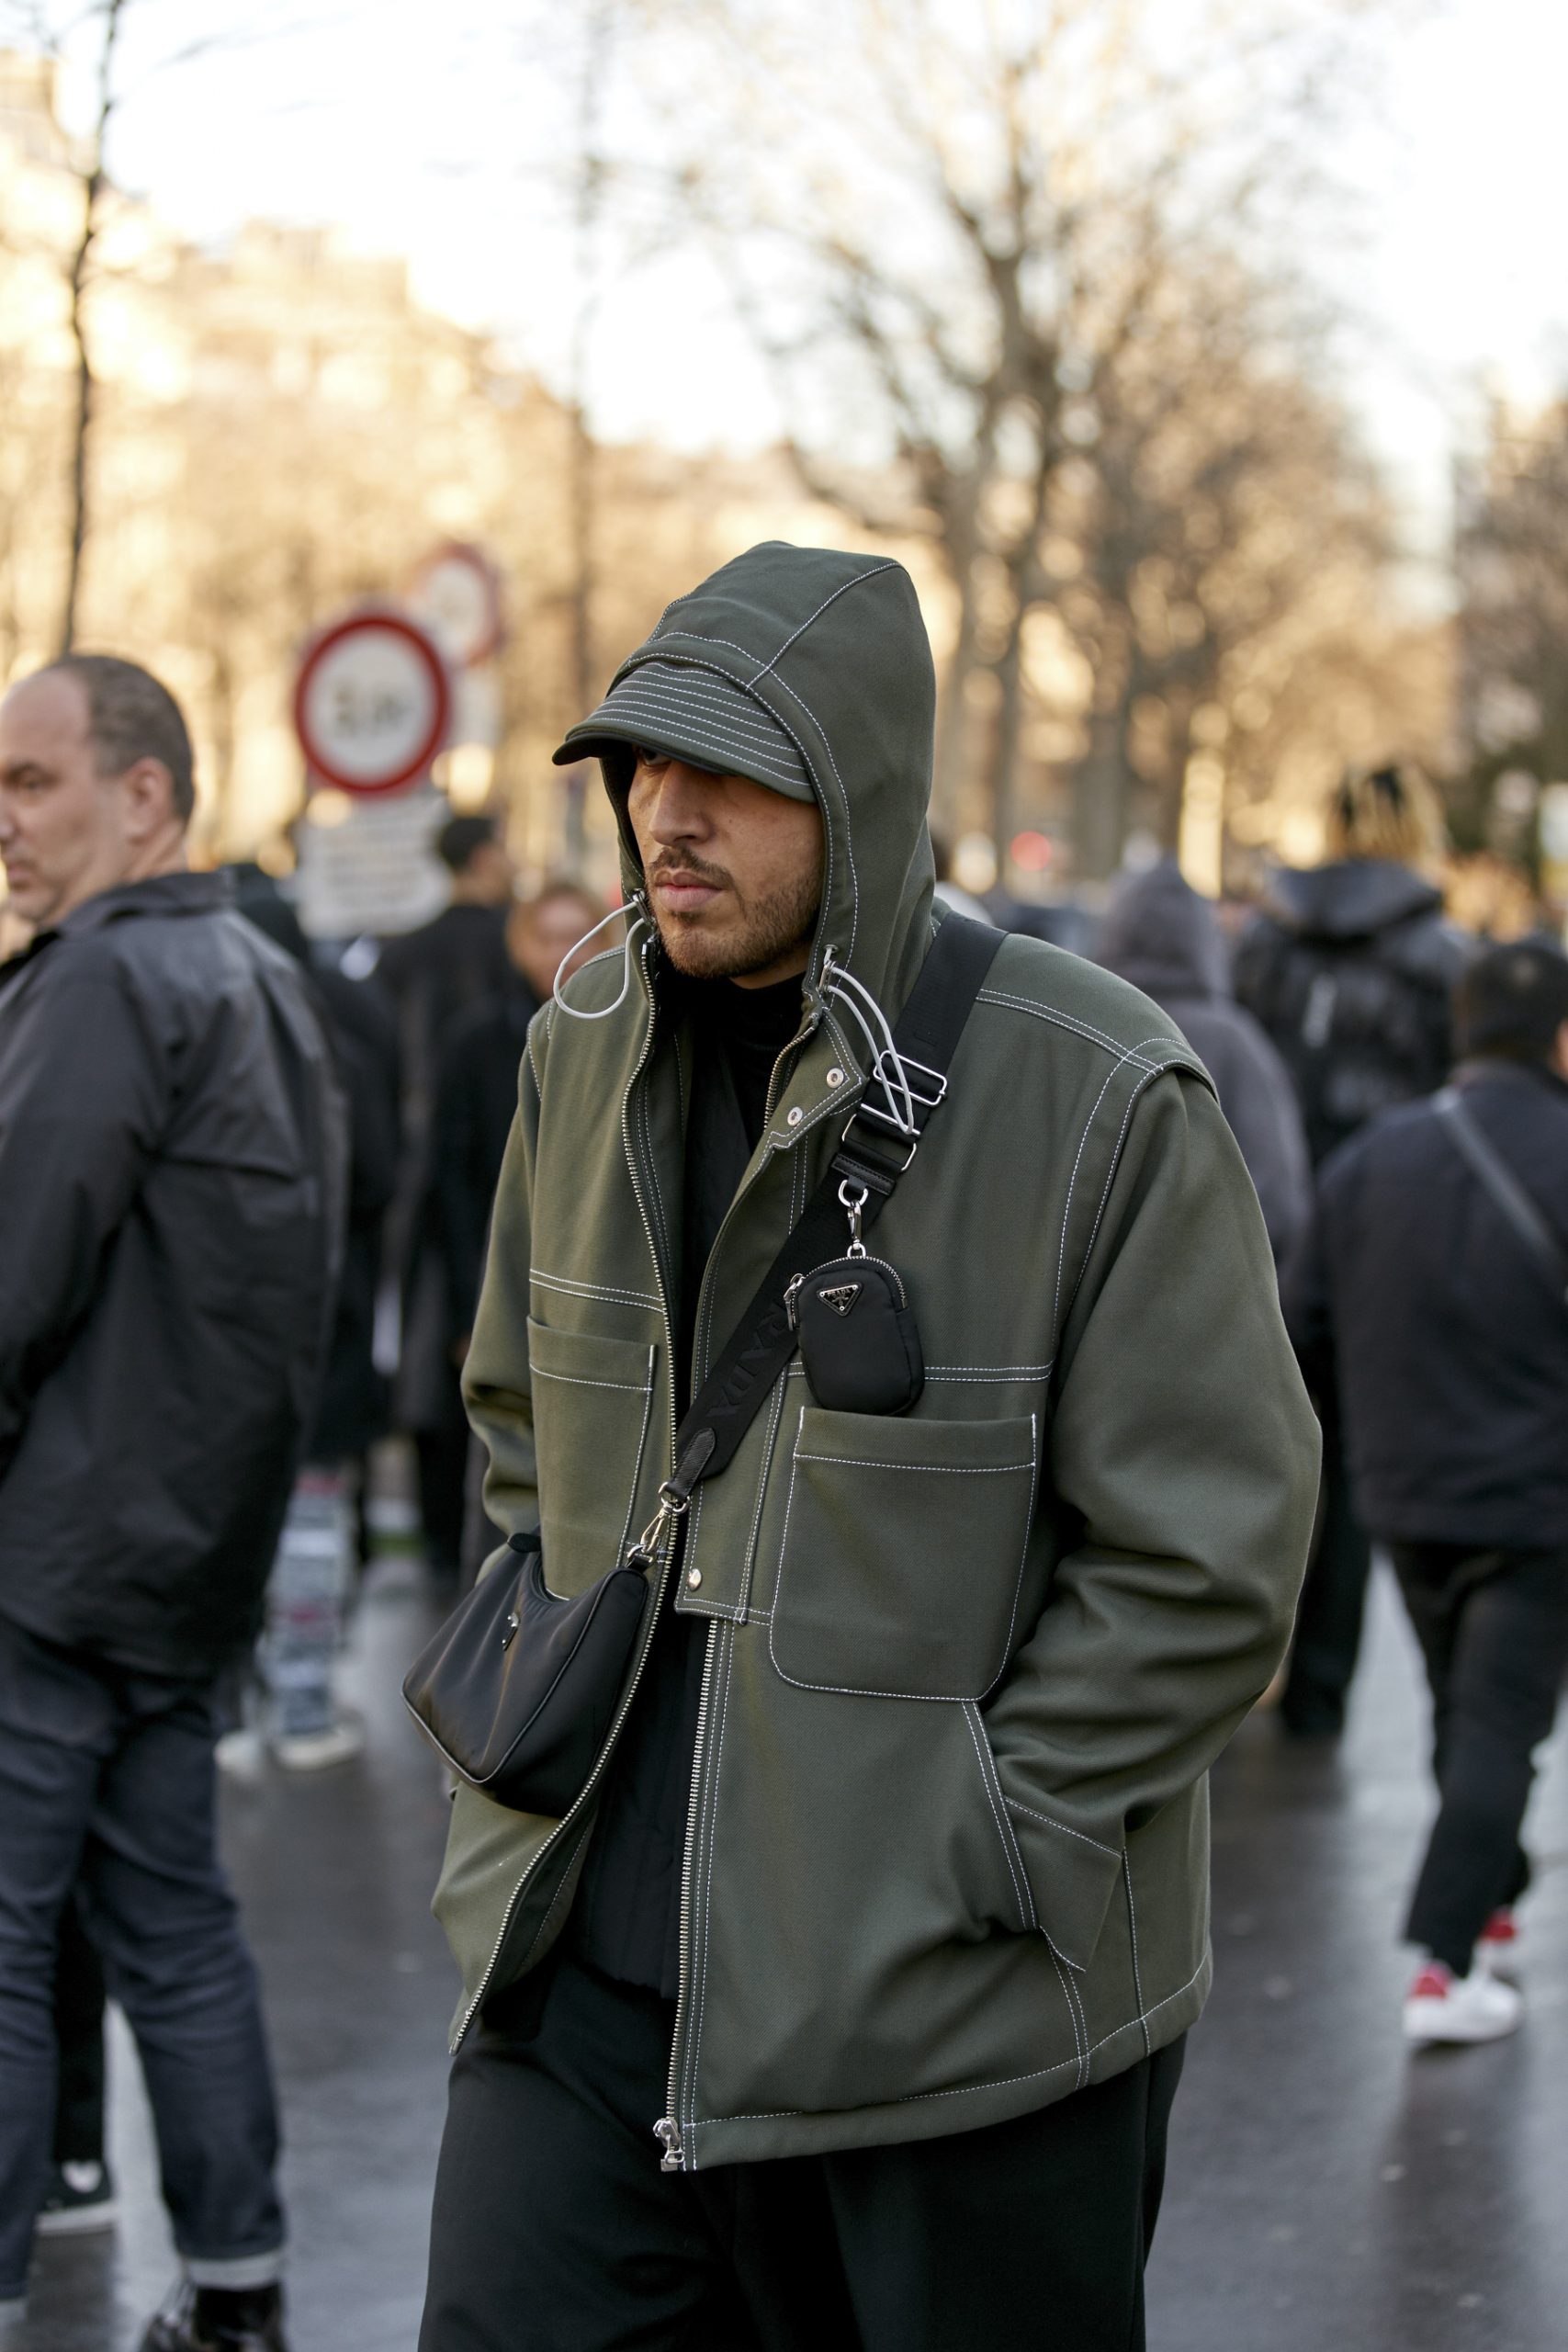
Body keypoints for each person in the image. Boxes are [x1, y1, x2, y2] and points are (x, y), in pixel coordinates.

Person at [417, 541, 1320, 2350]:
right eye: (640, 767)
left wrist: (994, 1843)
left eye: (729, 774)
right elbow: (518, 1420)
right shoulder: (576, 1041)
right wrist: (525, 1716)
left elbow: (1207, 1562)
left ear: (863, 786)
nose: (667, 816)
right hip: (582, 1988)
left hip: (951, 2034)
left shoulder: (1097, 1090)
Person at [0, 656, 345, 2352]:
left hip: (52, 1565)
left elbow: (8, 1283)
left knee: (4, 1948)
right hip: (181, 1565)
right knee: (174, 1932)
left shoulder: (106, 983)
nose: (2, 822)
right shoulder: (263, 982)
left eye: (32, 781)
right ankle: (236, 2305)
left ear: (144, 797)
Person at [1288, 940, 1568, 2045]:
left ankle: (1490, 1900)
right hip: (1538, 1499)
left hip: (1403, 1493)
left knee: (1467, 1707)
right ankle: (1443, 1966)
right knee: (1499, 1723)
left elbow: (1300, 1323)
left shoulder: (1373, 1159)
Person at [1235, 763, 1469, 1736]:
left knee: (1251, 1449)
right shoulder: (1442, 957)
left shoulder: (1261, 946)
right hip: (1386, 1237)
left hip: (1260, 1229)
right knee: (1354, 1464)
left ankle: (1236, 1660)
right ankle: (1320, 1690)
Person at [1097, 857, 1311, 1267]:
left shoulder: (1085, 1025)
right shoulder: (1235, 1044)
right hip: (1207, 1301)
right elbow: (1278, 1203)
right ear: (1204, 939)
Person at [376, 809, 516, 1119]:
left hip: (417, 1116)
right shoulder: (518, 946)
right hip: (502, 1116)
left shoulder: (403, 950)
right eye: (505, 849)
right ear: (484, 858)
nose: (514, 863)